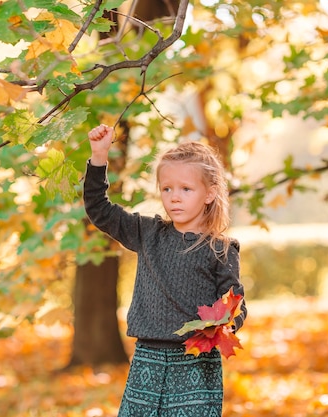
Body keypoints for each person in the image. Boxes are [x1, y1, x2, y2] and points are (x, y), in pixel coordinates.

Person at [83, 124, 247, 417]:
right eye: (167, 188)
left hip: (195, 361)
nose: (174, 197)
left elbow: (235, 305)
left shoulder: (221, 249)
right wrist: (99, 156)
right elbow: (99, 209)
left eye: (186, 189)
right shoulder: (147, 233)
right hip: (148, 357)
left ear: (209, 194)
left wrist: (222, 327)